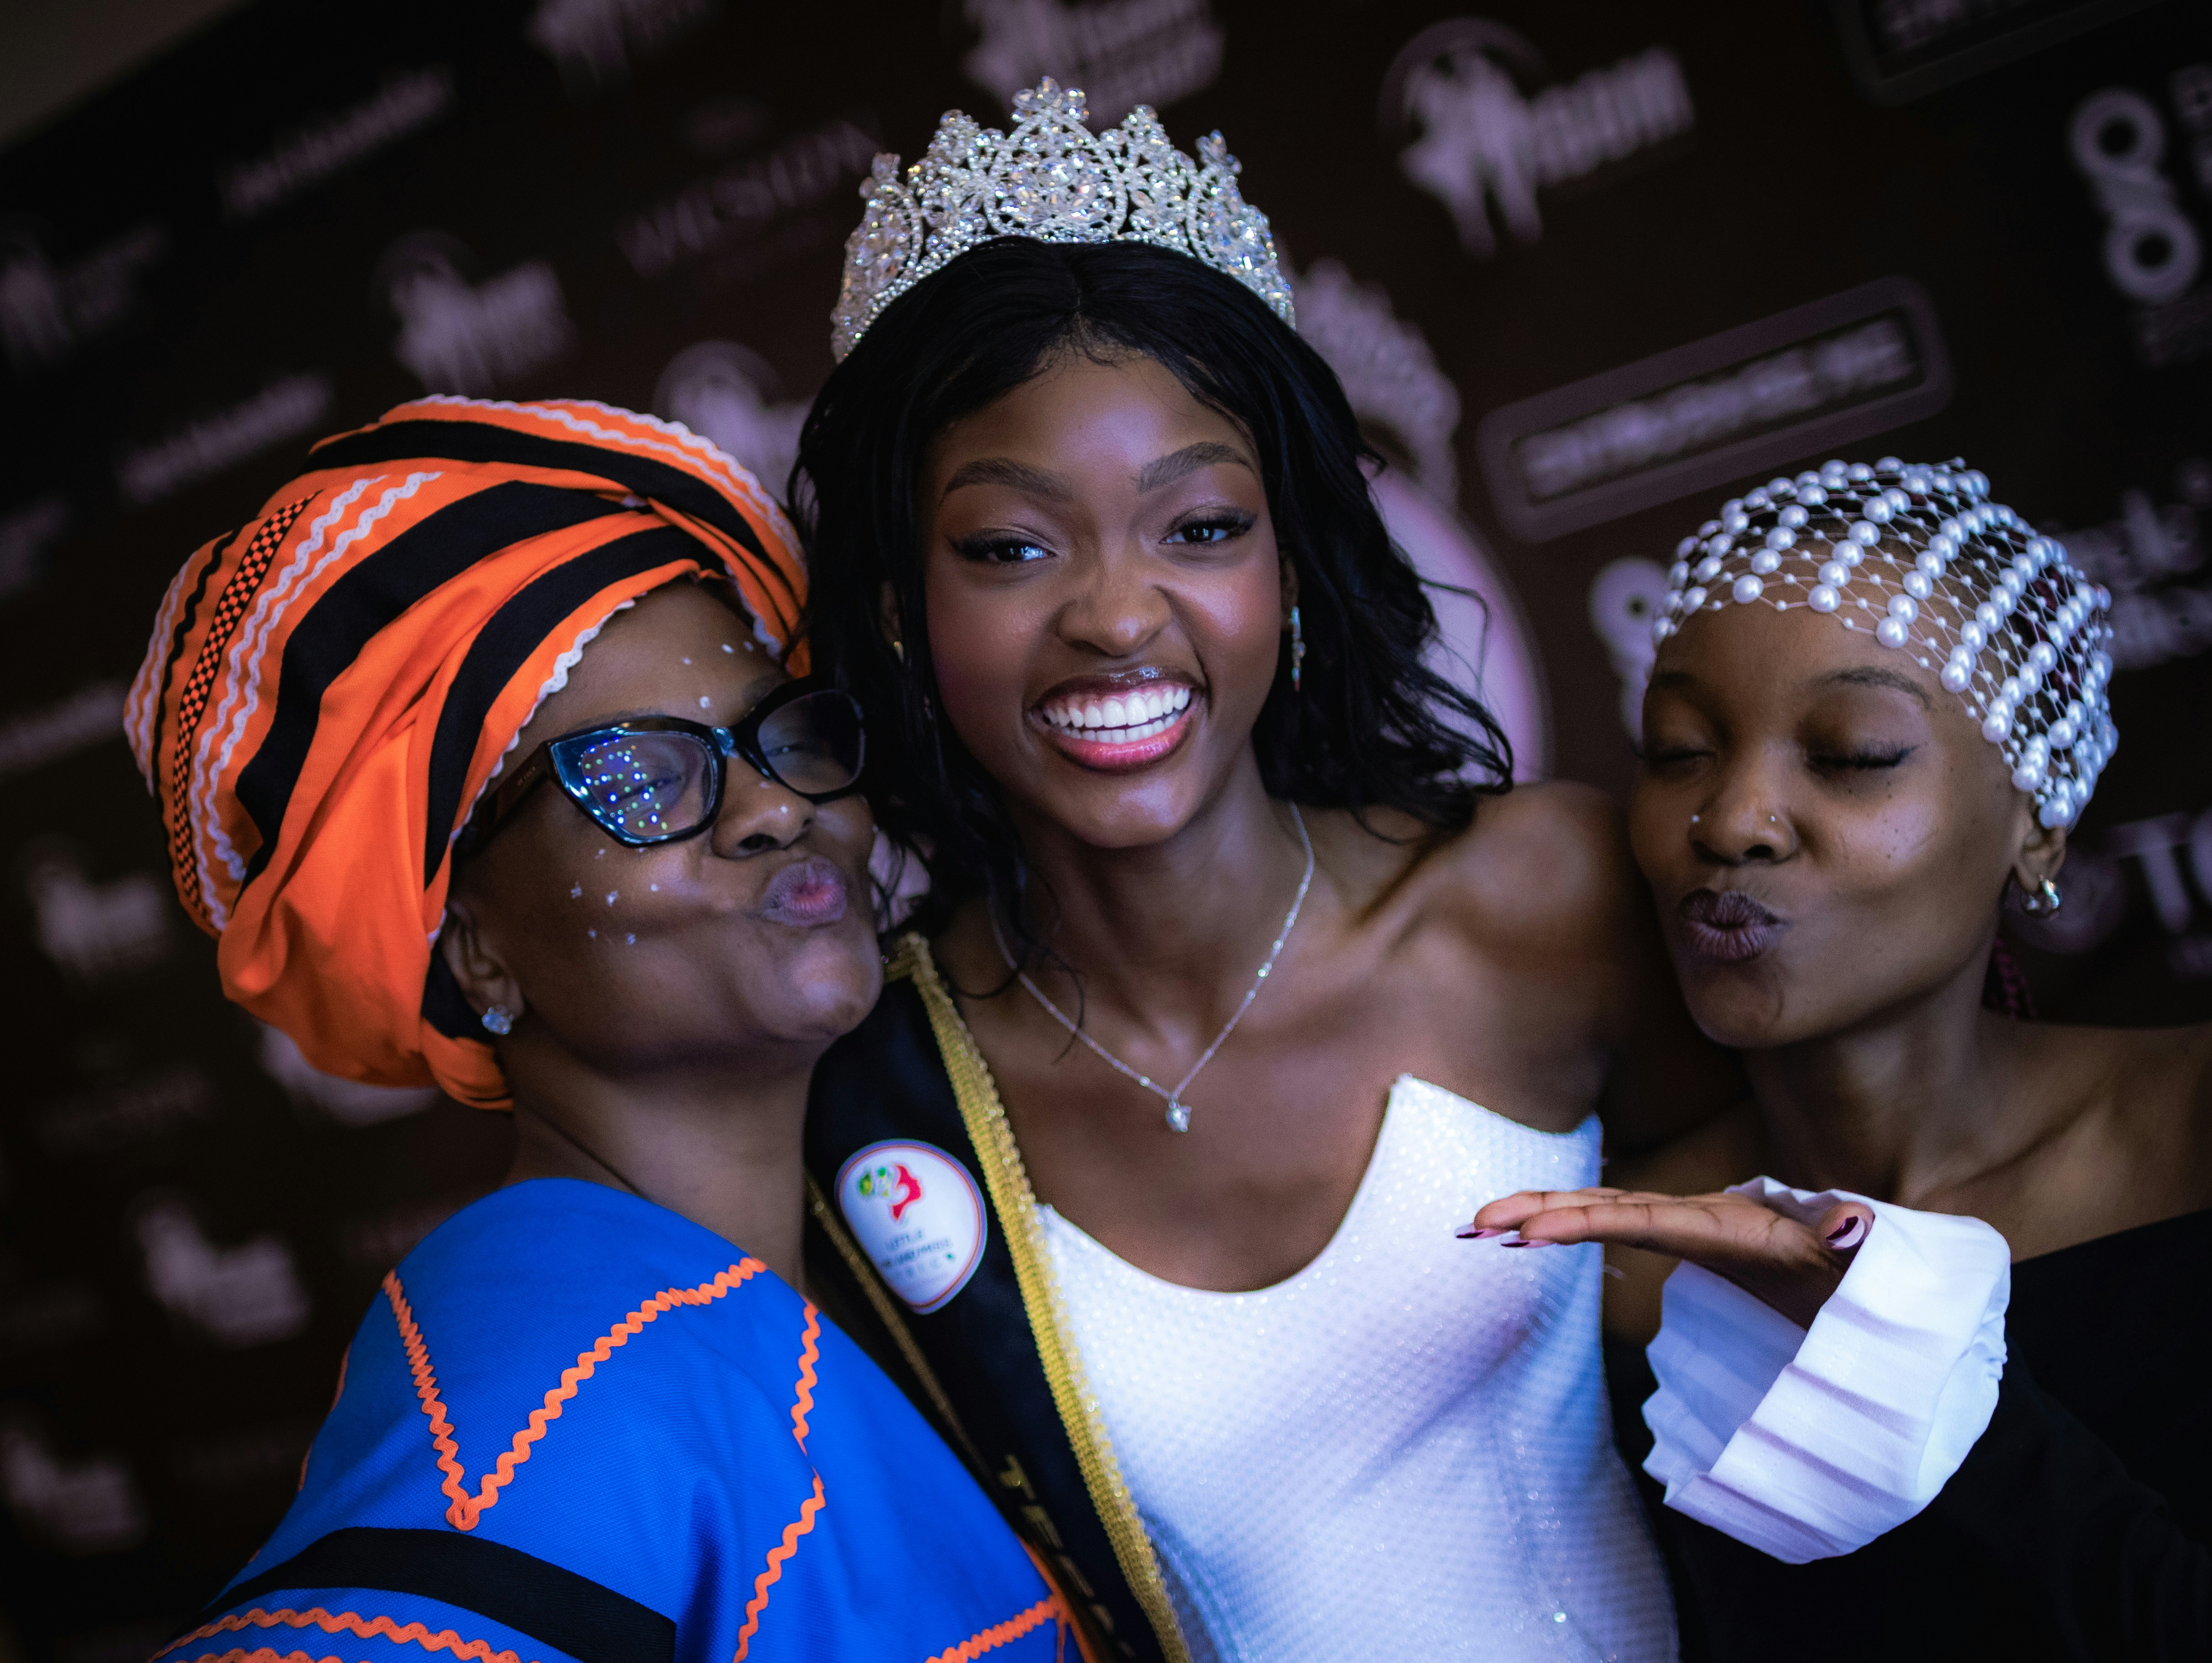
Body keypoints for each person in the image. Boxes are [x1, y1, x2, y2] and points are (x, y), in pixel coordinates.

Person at [796, 80, 1777, 1663]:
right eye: (1010, 546)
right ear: (903, 607)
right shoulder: (880, 1102)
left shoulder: (1535, 900)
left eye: (1197, 526)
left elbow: (1817, 1290)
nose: (1118, 616)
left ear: (1289, 563)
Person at [131, 397, 1079, 1663]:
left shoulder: (848, 1286)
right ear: (470, 944)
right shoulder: (548, 1386)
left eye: (781, 737)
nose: (773, 811)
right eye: (637, 773)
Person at [1469, 457, 2212, 1661]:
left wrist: (1902, 1361)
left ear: (2037, 821)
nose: (1731, 819)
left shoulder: (2190, 1135)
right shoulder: (1614, 1260)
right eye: (1678, 751)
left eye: (1853, 753)